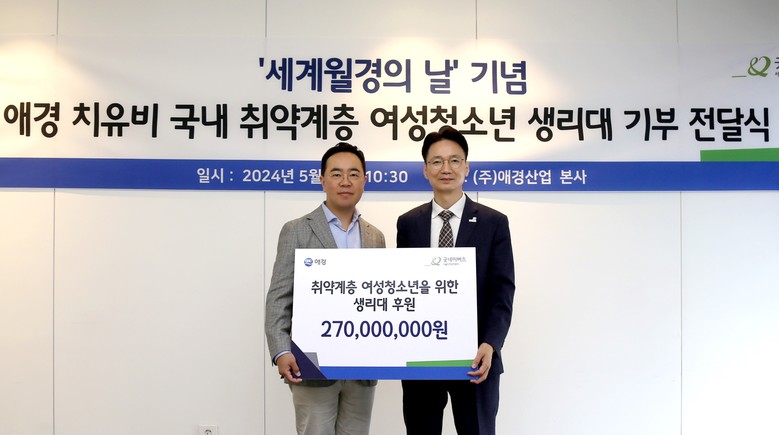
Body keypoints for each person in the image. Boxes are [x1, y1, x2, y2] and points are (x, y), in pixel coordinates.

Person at [396, 126, 515, 435]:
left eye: (454, 160)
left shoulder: (493, 222)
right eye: (436, 161)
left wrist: (491, 343)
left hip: (476, 358)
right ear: (425, 170)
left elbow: (502, 290)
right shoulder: (408, 224)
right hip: (422, 358)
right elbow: (404, 287)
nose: (445, 168)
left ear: (466, 167)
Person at [265, 142, 386, 435]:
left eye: (353, 174)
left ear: (364, 180)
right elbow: (279, 297)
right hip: (312, 365)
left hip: (362, 368)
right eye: (336, 174)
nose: (345, 181)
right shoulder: (296, 229)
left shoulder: (375, 237)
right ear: (322, 180)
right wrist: (281, 351)